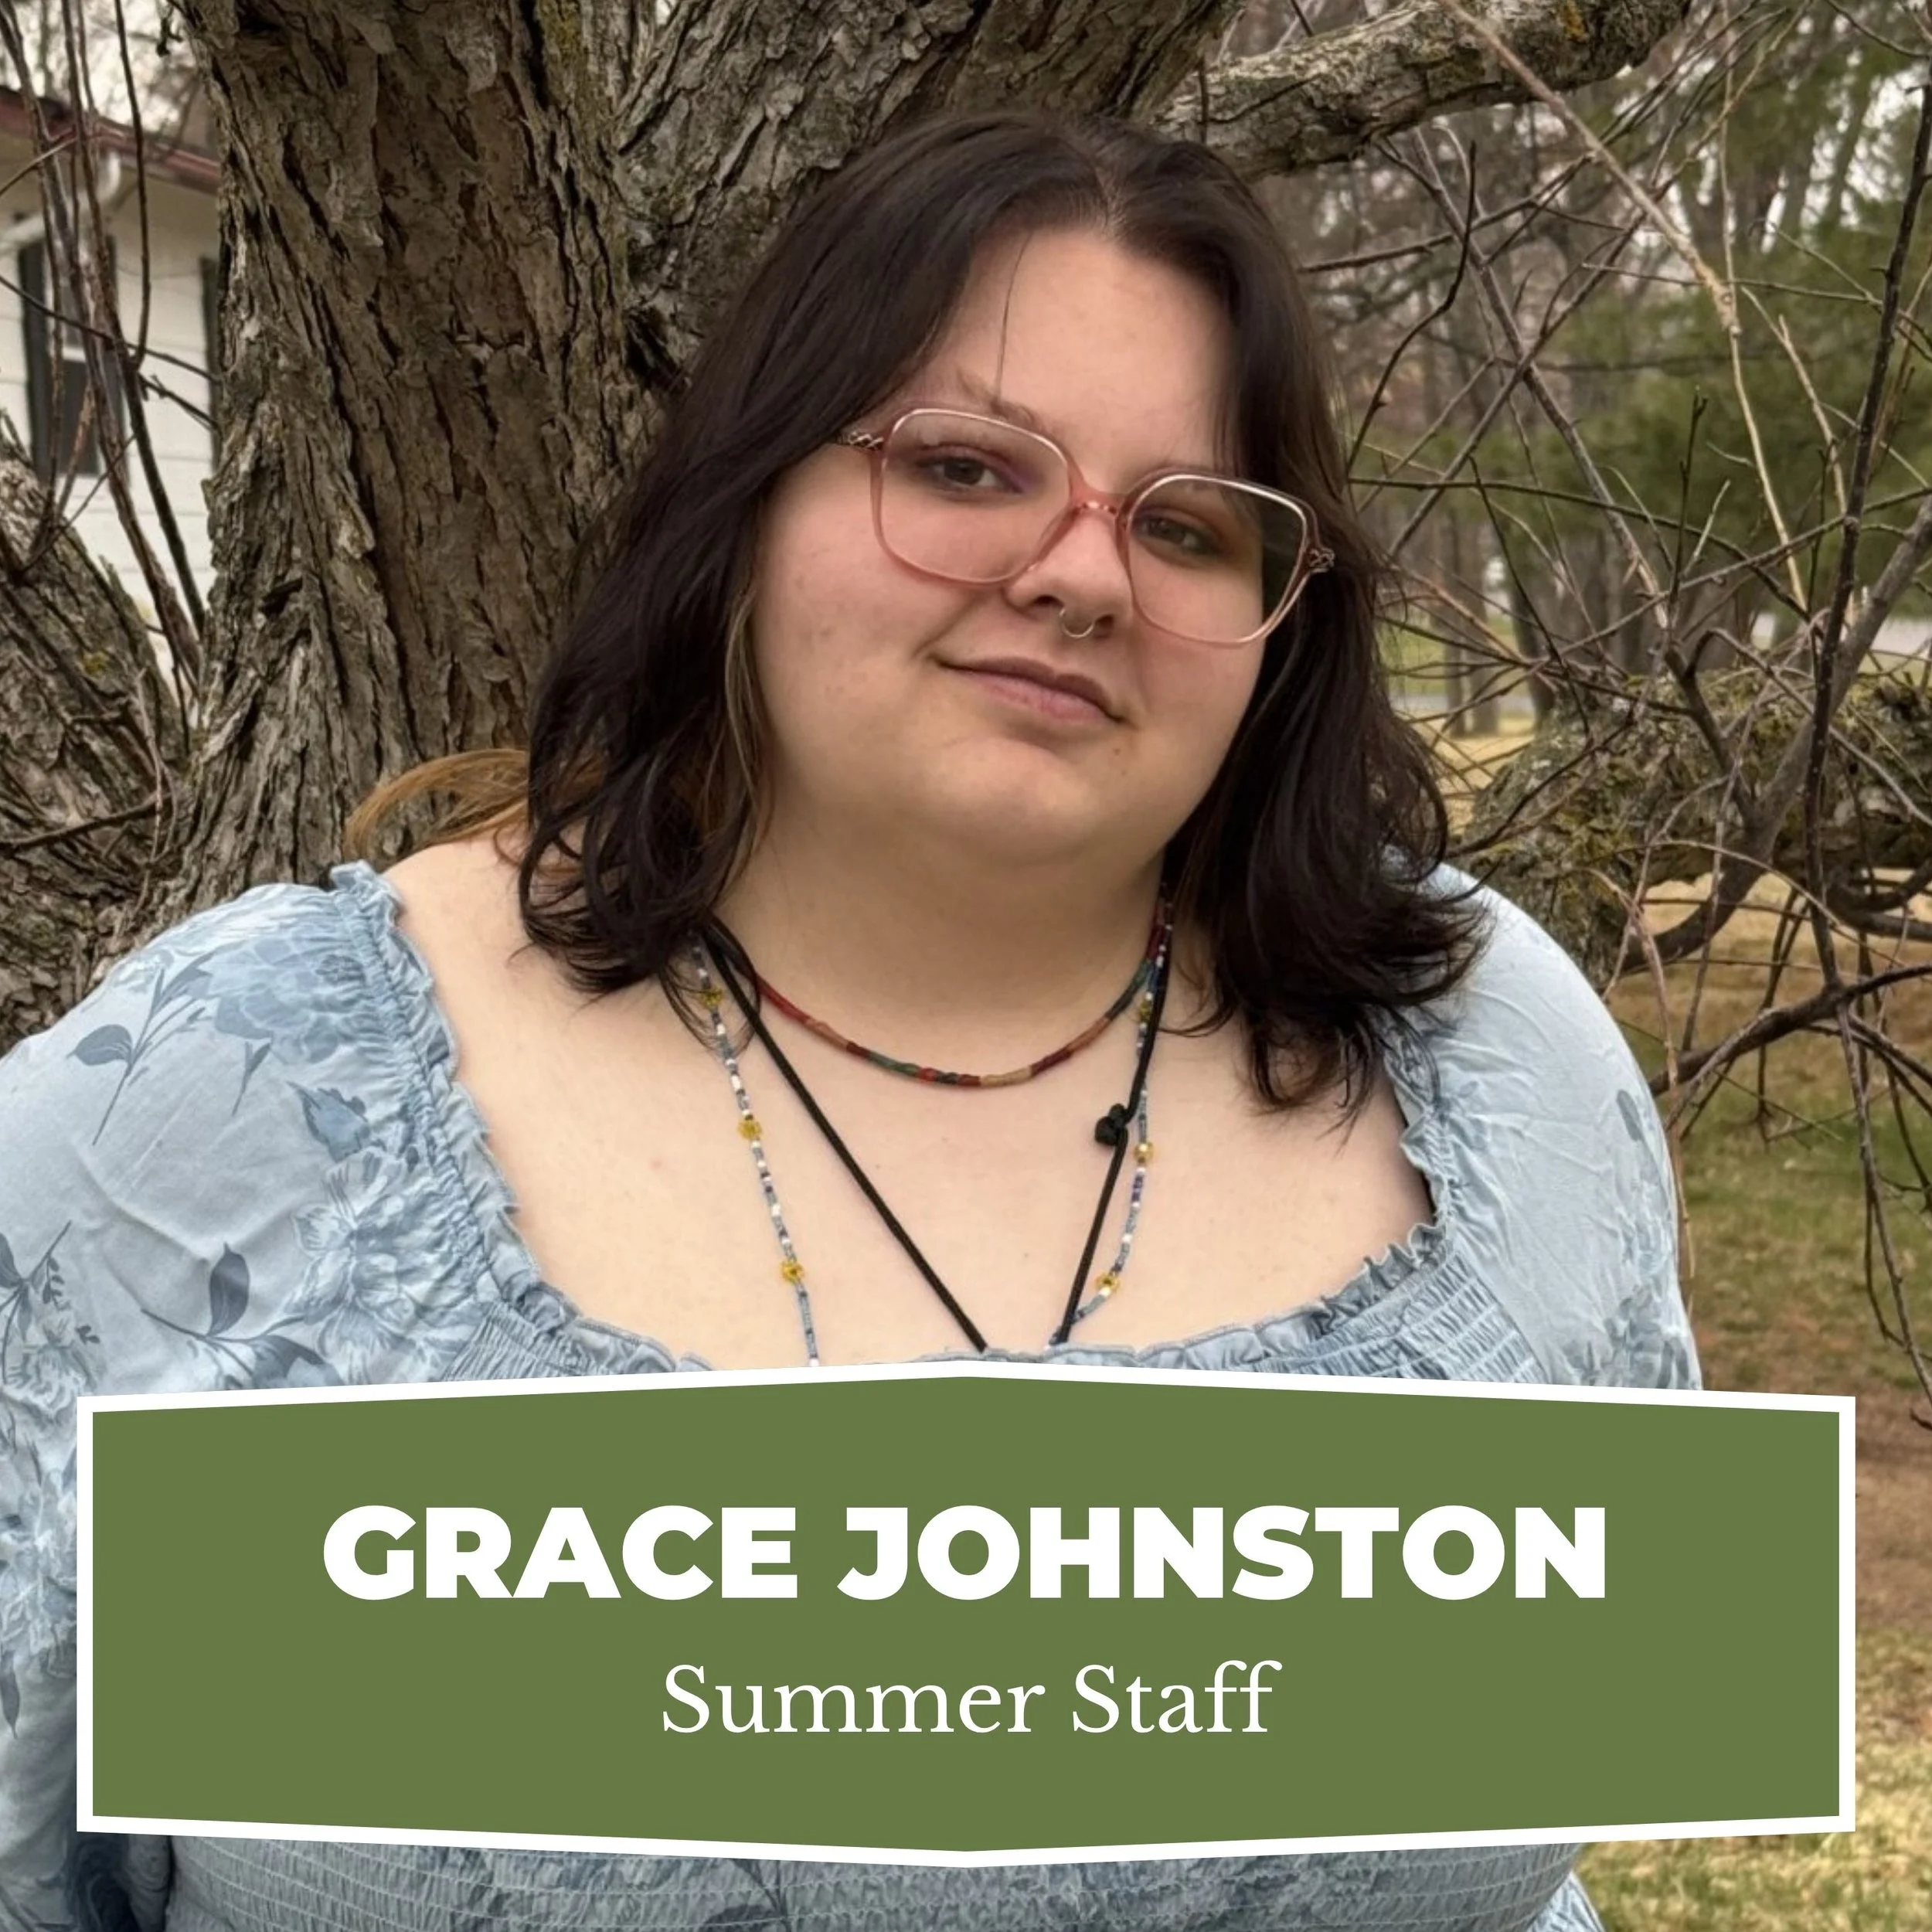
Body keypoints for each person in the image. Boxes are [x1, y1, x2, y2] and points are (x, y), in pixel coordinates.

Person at [0, 111, 1695, 1930]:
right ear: (746, 502)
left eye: (1188, 525)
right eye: (964, 465)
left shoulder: (1490, 1052)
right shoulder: (218, 1094)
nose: (1082, 573)